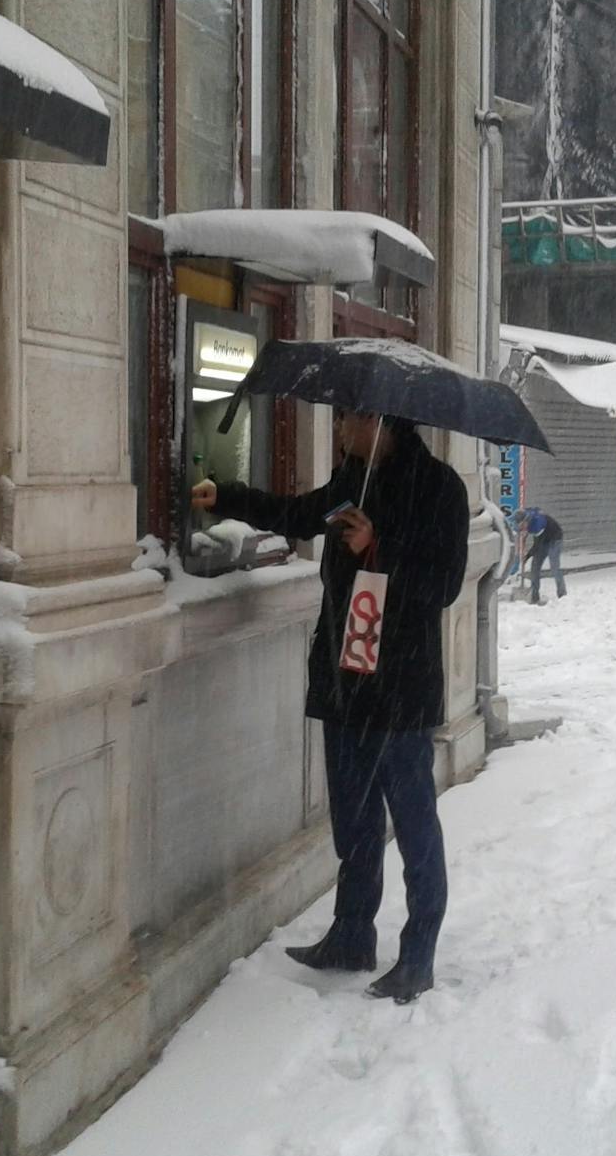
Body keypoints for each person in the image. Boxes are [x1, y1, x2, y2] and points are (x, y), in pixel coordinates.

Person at [192, 411, 468, 1005]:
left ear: (382, 423)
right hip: (347, 682)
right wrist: (229, 498)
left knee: (415, 825)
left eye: (348, 421)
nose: (339, 432)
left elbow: (444, 585)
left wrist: (379, 547)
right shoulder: (349, 482)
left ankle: (417, 955)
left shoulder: (441, 488)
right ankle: (350, 935)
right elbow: (300, 515)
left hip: (401, 688)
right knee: (354, 821)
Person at [518, 507, 565, 603]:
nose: (522, 528)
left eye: (522, 526)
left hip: (555, 539)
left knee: (554, 566)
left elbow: (537, 545)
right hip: (543, 540)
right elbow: (536, 508)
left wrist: (527, 556)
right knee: (534, 567)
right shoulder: (527, 514)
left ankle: (562, 594)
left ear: (526, 521)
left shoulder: (537, 524)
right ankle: (534, 596)